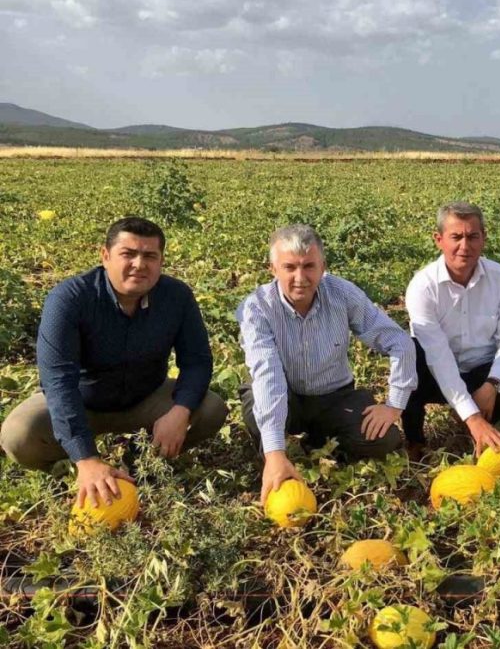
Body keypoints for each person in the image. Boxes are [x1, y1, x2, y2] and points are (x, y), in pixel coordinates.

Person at [0, 217, 228, 508]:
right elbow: (58, 382)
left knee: (210, 408)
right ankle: (78, 467)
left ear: (161, 261)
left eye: (149, 256)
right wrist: (85, 457)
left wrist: (180, 411)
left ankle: (141, 459)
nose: (139, 264)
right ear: (105, 256)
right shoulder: (70, 299)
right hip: (84, 401)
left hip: (145, 398)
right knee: (19, 435)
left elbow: (196, 361)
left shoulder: (177, 297)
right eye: (128, 254)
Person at [237, 224, 415, 504]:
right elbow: (267, 374)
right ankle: (277, 459)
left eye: (309, 266)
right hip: (287, 396)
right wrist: (274, 452)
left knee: (384, 440)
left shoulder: (342, 294)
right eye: (289, 267)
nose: (300, 278)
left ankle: (317, 441)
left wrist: (394, 405)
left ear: (323, 266)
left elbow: (399, 341)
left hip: (334, 398)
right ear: (273, 269)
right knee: (253, 403)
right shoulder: (257, 308)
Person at [402, 202, 500, 456]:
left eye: (472, 236)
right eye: (456, 237)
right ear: (439, 240)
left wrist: (492, 384)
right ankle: (415, 441)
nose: (465, 246)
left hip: (480, 368)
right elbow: (438, 357)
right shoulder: (422, 287)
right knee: (407, 364)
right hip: (434, 373)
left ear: (484, 238)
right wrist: (472, 417)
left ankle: (482, 409)